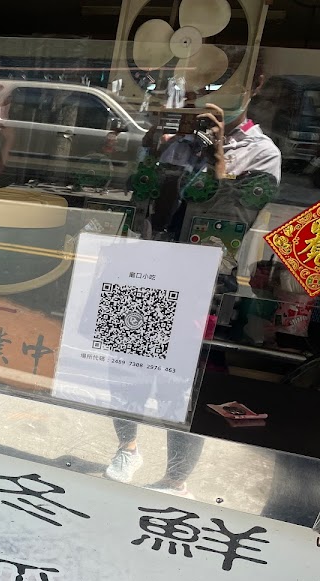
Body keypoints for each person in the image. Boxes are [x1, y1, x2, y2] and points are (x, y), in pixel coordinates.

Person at [106, 67, 282, 492]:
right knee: (126, 374)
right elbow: (143, 206)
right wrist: (150, 151)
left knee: (184, 386)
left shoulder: (262, 153)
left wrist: (217, 155)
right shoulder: (177, 141)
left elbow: (233, 220)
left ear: (254, 84)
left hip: (203, 285)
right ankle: (128, 447)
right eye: (200, 83)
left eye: (221, 82)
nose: (206, 93)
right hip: (146, 270)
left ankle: (176, 478)